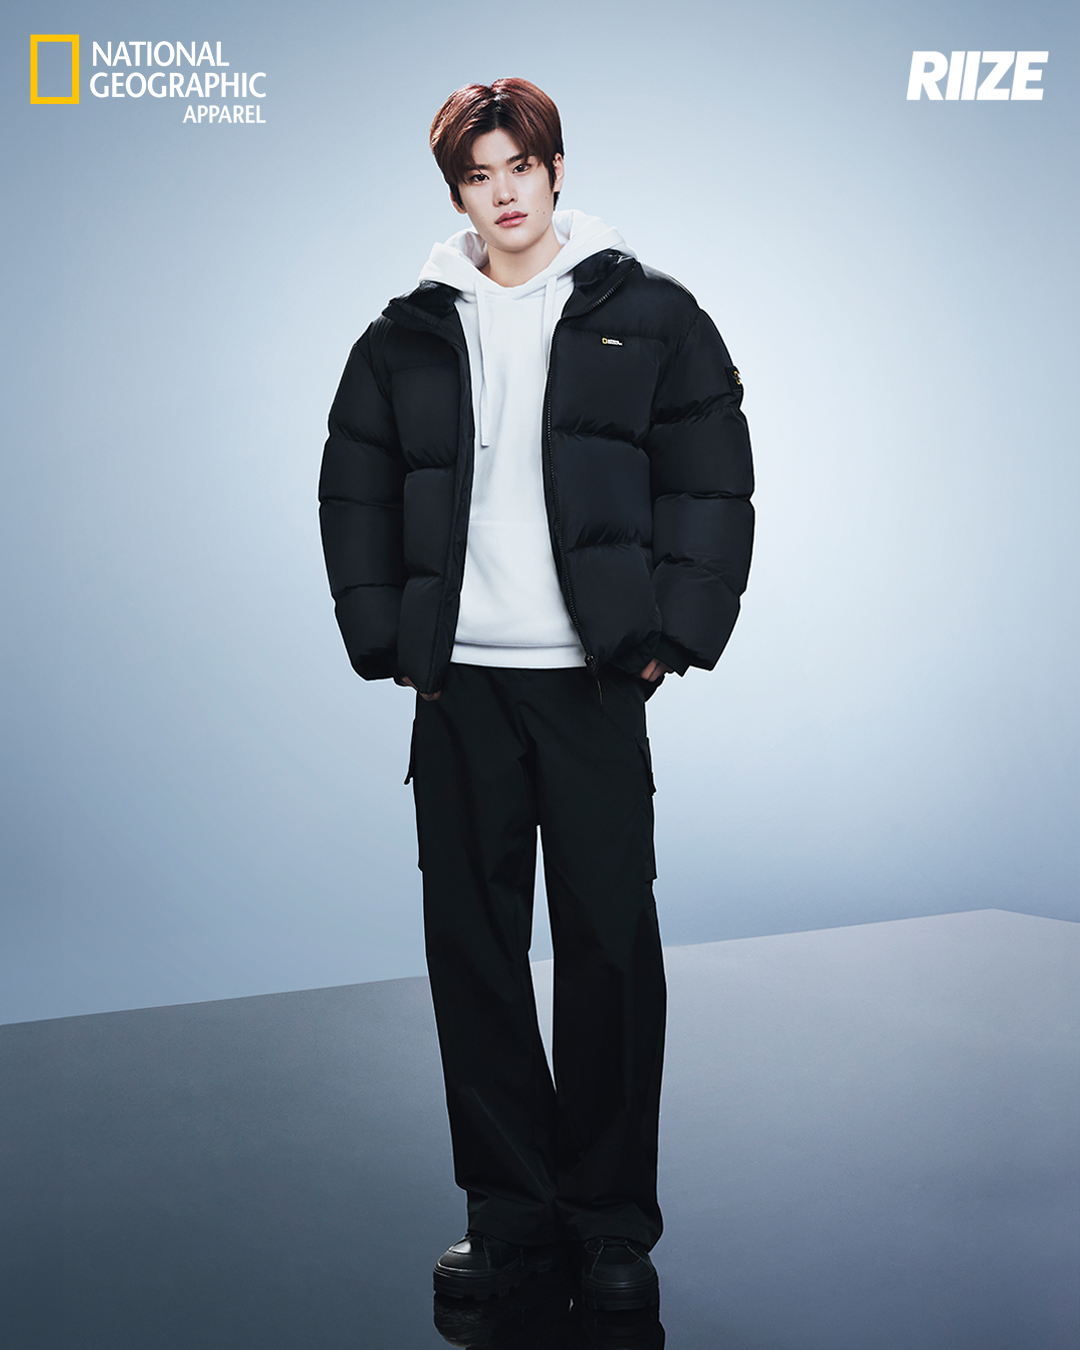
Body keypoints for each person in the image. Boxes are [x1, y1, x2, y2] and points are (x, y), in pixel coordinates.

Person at [319, 77, 753, 1313]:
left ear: (557, 169)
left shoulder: (652, 315)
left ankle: (611, 1224)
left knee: (610, 945)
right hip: (460, 691)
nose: (504, 192)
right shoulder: (406, 335)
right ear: (457, 192)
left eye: (521, 166)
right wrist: (389, 643)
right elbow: (353, 490)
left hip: (590, 686)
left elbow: (711, 478)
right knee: (474, 951)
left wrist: (670, 636)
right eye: (478, 175)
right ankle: (511, 1218)